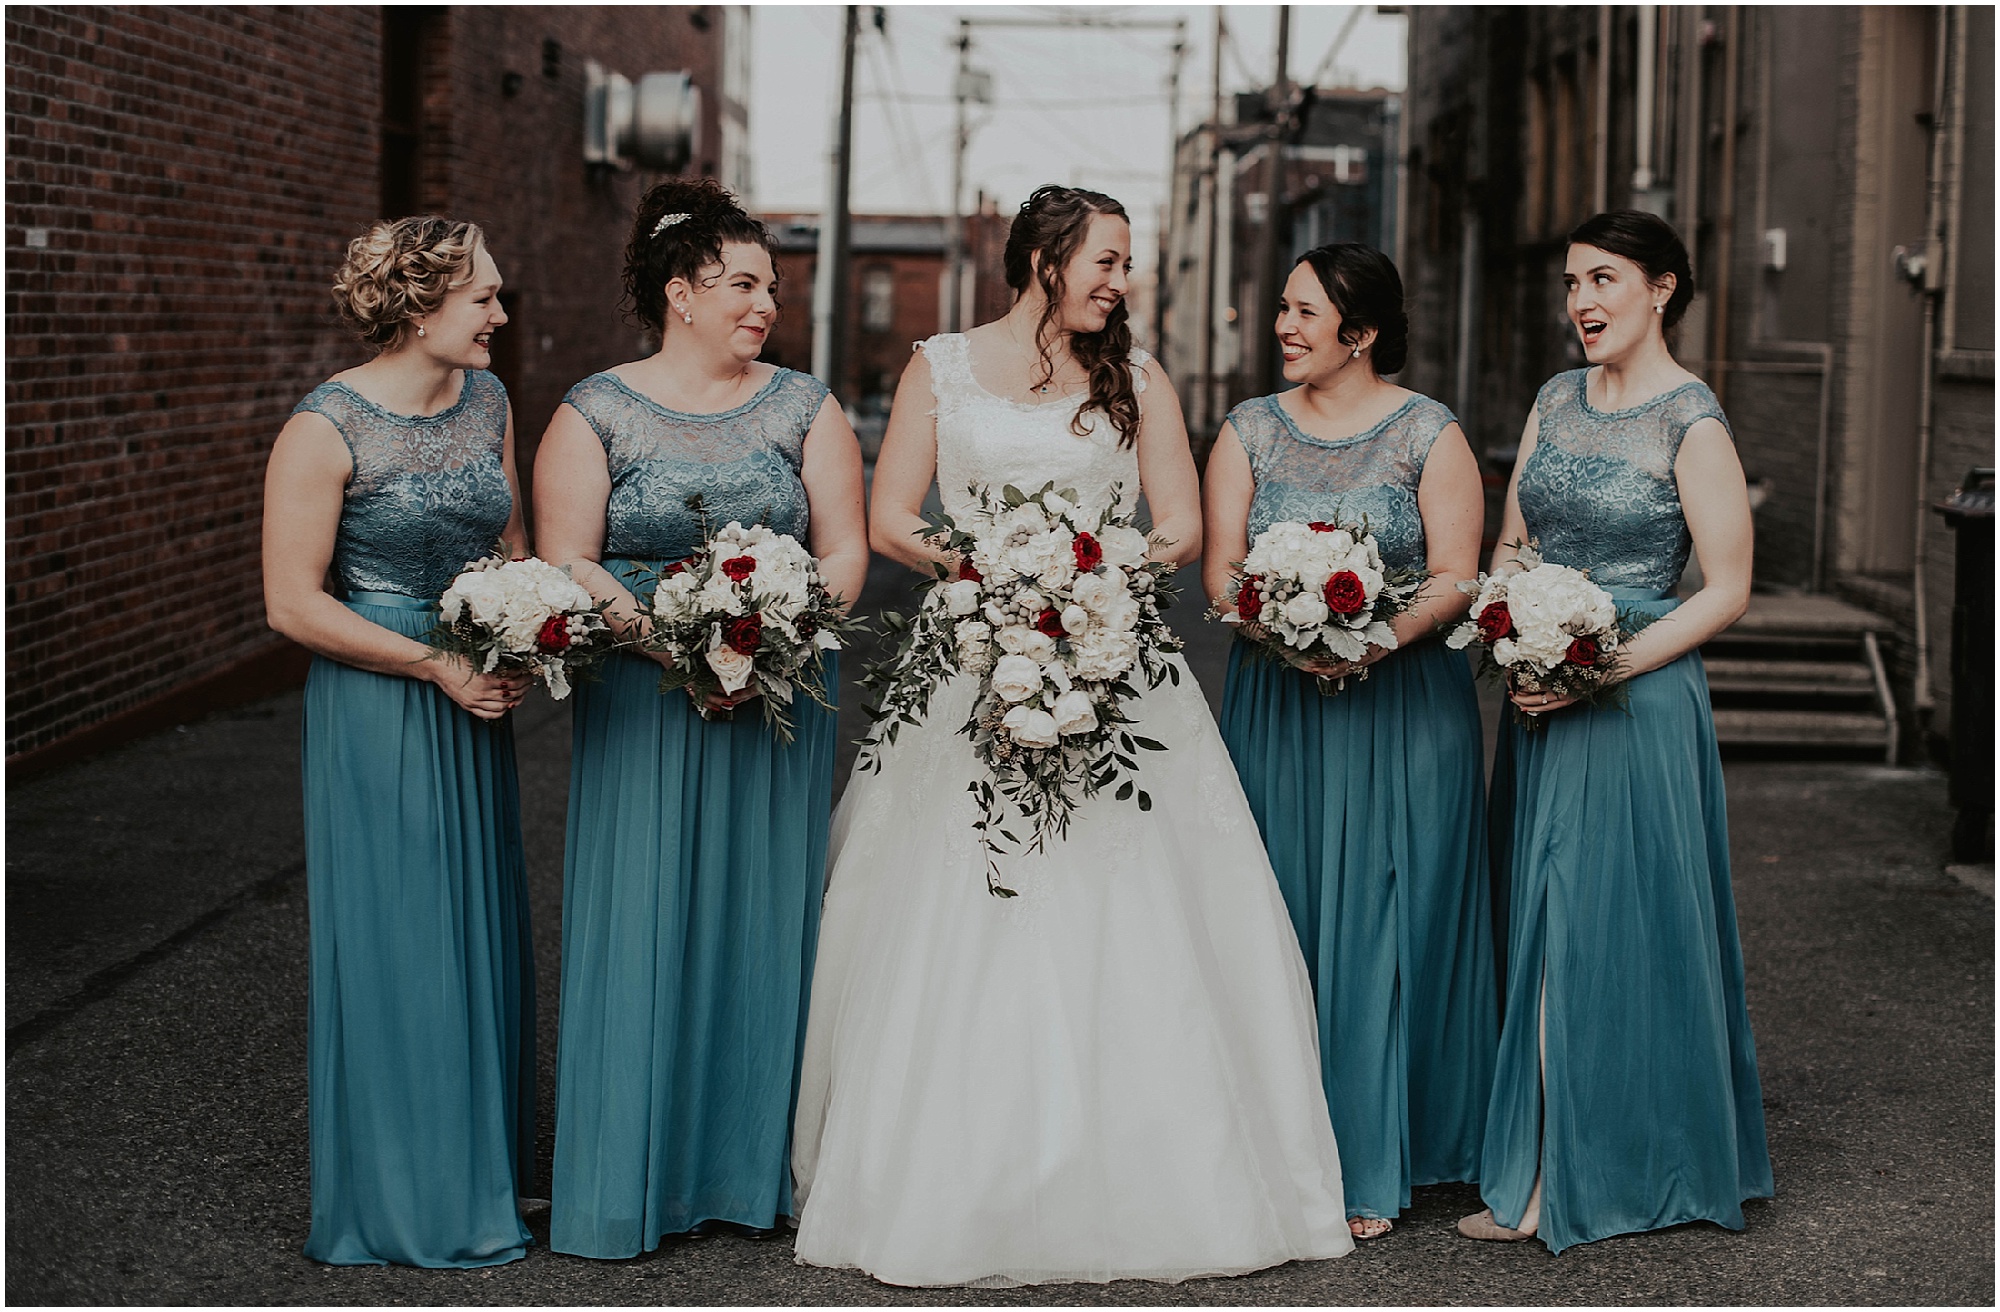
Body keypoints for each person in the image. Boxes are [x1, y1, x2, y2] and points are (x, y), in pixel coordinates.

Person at [790, 185, 1353, 1288]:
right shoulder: (939, 367)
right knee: (956, 900)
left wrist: (1093, 574)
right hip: (975, 659)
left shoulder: (1137, 380)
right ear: (1043, 258)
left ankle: (1147, 1166)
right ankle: (954, 1171)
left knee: (1131, 901)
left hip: (1115, 660)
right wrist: (991, 574)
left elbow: (1181, 526)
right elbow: (892, 518)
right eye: (1104, 260)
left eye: (1125, 263)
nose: (1117, 281)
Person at [533, 177, 868, 1259]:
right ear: (680, 293)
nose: (763, 303)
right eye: (739, 284)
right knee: (641, 917)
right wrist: (674, 641)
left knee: (762, 920)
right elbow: (568, 555)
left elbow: (845, 549)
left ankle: (743, 1170)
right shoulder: (595, 409)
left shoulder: (805, 407)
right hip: (645, 698)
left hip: (775, 695)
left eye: (769, 285)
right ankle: (628, 1171)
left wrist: (767, 632)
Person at [1457, 210, 1774, 1252]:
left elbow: (1724, 590)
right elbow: (1511, 538)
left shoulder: (1693, 424)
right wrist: (1508, 623)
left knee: (1598, 920)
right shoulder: (1554, 399)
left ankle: (1574, 1172)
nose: (1581, 302)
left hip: (1634, 694)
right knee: (1541, 912)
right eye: (1569, 283)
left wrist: (1597, 665)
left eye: (1602, 280)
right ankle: (1550, 1151)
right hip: (1542, 687)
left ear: (1661, 289)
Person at [1204, 244, 1496, 1240]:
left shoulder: (1429, 432)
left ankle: (1377, 1154)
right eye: (1280, 308)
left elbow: (1455, 572)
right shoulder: (1245, 430)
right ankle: (1280, 1147)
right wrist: (1286, 631)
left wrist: (1373, 637)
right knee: (1279, 910)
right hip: (1278, 706)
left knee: (1387, 910)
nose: (1282, 326)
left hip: (1406, 701)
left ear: (1359, 331)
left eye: (1302, 312)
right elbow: (1221, 576)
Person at [263, 217, 535, 1267]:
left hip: (478, 689)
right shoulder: (324, 428)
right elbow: (291, 603)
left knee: (477, 921)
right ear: (420, 307)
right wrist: (432, 665)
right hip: (383, 695)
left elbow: (508, 543)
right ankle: (401, 1194)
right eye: (484, 299)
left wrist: (522, 619)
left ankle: (477, 1169)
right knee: (400, 934)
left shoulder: (491, 403)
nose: (500, 316)